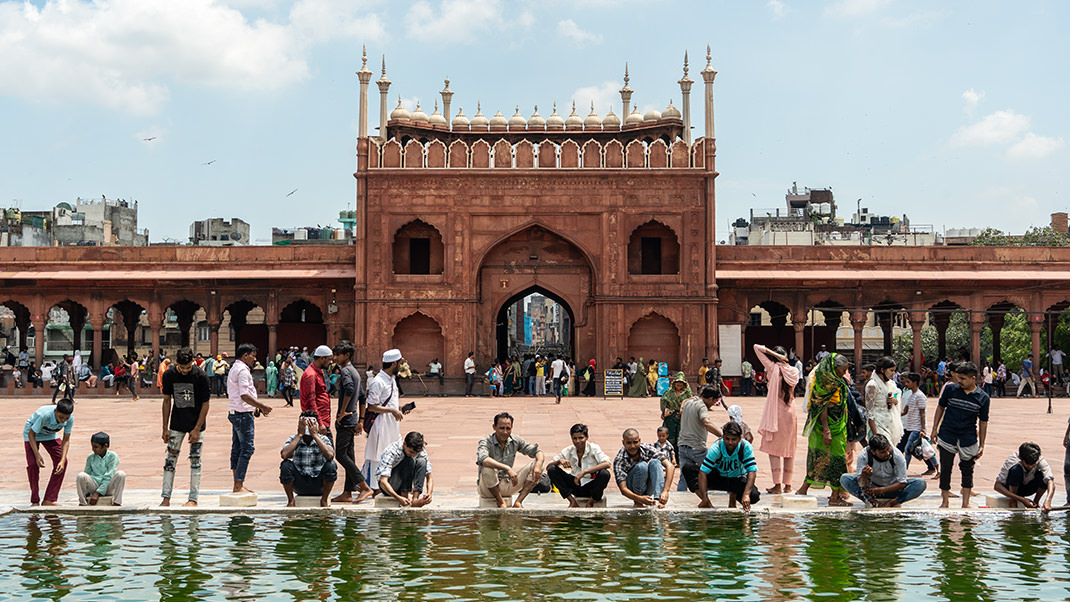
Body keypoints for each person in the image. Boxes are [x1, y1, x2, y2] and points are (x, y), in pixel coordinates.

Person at [931, 361, 989, 509]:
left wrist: (982, 444)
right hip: (947, 434)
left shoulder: (983, 398)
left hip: (968, 437)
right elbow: (940, 407)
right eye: (958, 378)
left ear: (973, 378)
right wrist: (934, 429)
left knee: (968, 470)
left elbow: (983, 422)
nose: (959, 381)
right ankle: (945, 501)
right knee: (946, 468)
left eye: (963, 378)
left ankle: (966, 502)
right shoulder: (951, 390)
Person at [796, 353, 852, 506]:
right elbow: (822, 407)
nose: (844, 373)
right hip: (828, 429)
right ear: (834, 368)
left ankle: (803, 489)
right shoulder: (827, 383)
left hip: (836, 426)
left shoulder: (834, 380)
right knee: (837, 460)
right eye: (842, 370)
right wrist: (827, 431)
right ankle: (834, 497)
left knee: (820, 457)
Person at [160, 347, 212, 507]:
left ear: (193, 363)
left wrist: (196, 429)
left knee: (195, 461)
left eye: (188, 368)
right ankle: (166, 498)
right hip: (177, 424)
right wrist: (164, 427)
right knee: (170, 460)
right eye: (182, 368)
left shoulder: (200, 376)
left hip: (197, 424)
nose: (185, 371)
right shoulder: (169, 375)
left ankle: (193, 499)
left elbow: (205, 404)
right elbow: (167, 401)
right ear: (177, 363)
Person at [227, 342, 273, 495]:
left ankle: (237, 484)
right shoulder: (243, 371)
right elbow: (244, 395)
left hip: (236, 413)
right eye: (253, 356)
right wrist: (262, 406)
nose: (254, 359)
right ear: (245, 355)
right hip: (242, 414)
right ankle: (238, 485)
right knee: (247, 449)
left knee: (237, 449)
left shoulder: (235, 368)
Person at [331, 340, 373, 504]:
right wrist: (361, 420)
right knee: (349, 456)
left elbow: (348, 390)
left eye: (337, 355)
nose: (335, 358)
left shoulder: (346, 371)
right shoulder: (355, 372)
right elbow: (362, 397)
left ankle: (363, 486)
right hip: (353, 418)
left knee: (341, 455)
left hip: (346, 420)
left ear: (346, 355)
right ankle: (347, 492)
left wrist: (342, 413)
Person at [755, 344, 800, 495]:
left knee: (774, 449)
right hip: (791, 411)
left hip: (777, 412)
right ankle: (788, 485)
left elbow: (756, 347)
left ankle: (777, 485)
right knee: (789, 449)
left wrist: (772, 354)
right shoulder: (794, 371)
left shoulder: (773, 368)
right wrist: (781, 358)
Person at [476, 412, 544, 508]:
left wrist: (538, 465)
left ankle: (518, 502)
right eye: (501, 428)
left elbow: (538, 452)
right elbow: (483, 459)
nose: (505, 432)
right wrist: (507, 468)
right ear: (494, 427)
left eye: (508, 428)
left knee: (539, 465)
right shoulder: (486, 441)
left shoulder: (515, 440)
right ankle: (500, 501)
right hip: (488, 488)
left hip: (509, 484)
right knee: (487, 467)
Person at [840, 434, 926, 508]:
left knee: (920, 483)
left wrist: (880, 490)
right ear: (873, 452)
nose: (887, 453)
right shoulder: (864, 456)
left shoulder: (897, 455)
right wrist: (864, 476)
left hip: (893, 489)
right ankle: (871, 501)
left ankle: (893, 502)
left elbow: (902, 482)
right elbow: (861, 484)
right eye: (882, 452)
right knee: (845, 478)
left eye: (888, 450)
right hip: (871, 490)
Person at [364, 349, 406, 491]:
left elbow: (390, 402)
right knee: (378, 454)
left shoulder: (392, 379)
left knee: (394, 451)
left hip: (392, 423)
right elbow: (371, 407)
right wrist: (391, 410)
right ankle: (375, 487)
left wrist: (399, 408)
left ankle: (390, 484)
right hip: (381, 424)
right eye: (400, 363)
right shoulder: (378, 381)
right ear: (394, 363)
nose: (401, 365)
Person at [696, 421, 761, 511]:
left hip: (737, 479)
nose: (730, 442)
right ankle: (706, 502)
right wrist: (704, 498)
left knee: (754, 496)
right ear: (723, 437)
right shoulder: (716, 448)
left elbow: (752, 471)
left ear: (739, 439)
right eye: (727, 439)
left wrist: (746, 495)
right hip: (720, 478)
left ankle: (733, 495)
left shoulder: (745, 447)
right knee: (688, 469)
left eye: (733, 439)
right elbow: (703, 473)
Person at [546, 423, 612, 507]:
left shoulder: (594, 448)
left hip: (591, 486)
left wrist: (584, 472)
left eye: (581, 438)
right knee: (552, 470)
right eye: (575, 438)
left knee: (605, 473)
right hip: (575, 486)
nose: (578, 441)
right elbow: (548, 467)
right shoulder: (568, 450)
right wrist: (558, 461)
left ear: (586, 437)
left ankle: (591, 502)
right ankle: (572, 501)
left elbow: (607, 463)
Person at [280, 411, 337, 507]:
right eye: (305, 423)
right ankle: (291, 501)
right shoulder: (293, 439)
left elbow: (330, 455)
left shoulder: (323, 439)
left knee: (331, 465)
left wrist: (315, 435)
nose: (308, 427)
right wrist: (300, 435)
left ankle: (324, 500)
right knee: (285, 465)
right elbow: (284, 455)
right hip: (300, 484)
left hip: (318, 484)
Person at [24, 398, 74, 506]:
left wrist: (61, 460)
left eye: (66, 418)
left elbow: (66, 440)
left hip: (50, 434)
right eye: (61, 417)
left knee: (63, 462)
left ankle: (49, 499)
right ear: (55, 411)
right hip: (32, 434)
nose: (63, 420)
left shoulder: (70, 419)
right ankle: (35, 500)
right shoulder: (44, 415)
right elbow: (31, 434)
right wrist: (37, 455)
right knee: (33, 464)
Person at [678, 386, 724, 492]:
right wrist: (722, 436)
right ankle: (709, 494)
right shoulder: (702, 406)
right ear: (710, 398)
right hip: (697, 447)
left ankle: (681, 498)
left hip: (683, 446)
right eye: (714, 401)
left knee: (684, 476)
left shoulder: (688, 403)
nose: (713, 404)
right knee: (711, 469)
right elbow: (706, 423)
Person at [613, 428, 675, 508]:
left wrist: (665, 491)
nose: (633, 446)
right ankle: (638, 502)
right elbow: (623, 489)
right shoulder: (620, 459)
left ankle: (659, 499)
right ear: (623, 443)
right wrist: (640, 499)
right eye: (629, 443)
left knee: (655, 462)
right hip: (632, 490)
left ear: (639, 441)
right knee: (642, 466)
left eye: (635, 442)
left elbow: (670, 466)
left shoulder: (646, 448)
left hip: (647, 486)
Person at [995, 442, 1056, 513]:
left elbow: (1050, 482)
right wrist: (1022, 499)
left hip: (1029, 487)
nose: (1030, 467)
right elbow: (997, 486)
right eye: (1027, 464)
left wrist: (1048, 500)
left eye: (1033, 465)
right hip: (1013, 488)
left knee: (1043, 476)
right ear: (1020, 458)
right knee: (1016, 470)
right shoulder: (1012, 460)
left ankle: (1035, 503)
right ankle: (1013, 501)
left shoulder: (1040, 460)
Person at [377, 431, 434, 507]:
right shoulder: (392, 451)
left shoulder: (421, 451)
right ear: (404, 444)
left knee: (422, 461)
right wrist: (399, 498)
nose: (413, 455)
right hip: (390, 486)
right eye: (411, 452)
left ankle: (415, 499)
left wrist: (429, 494)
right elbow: (383, 482)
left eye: (415, 453)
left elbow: (429, 477)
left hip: (405, 483)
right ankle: (405, 497)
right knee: (409, 460)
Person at [898, 372, 939, 475]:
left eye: (908, 382)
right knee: (924, 449)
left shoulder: (920, 396)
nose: (906, 384)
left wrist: (923, 429)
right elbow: (905, 411)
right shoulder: (911, 395)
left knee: (908, 449)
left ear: (915, 382)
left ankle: (903, 471)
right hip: (910, 426)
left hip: (917, 427)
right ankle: (937, 468)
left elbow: (922, 414)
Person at [76, 432, 126, 506]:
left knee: (121, 474)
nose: (93, 449)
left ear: (105, 446)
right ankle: (83, 503)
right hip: (94, 486)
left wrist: (97, 493)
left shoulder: (113, 456)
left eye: (96, 447)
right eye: (92, 447)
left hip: (108, 487)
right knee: (81, 476)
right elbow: (87, 474)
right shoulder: (90, 457)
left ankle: (117, 503)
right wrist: (88, 493)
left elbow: (108, 477)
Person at [866, 356, 904, 446]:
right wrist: (876, 436)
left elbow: (897, 398)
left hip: (891, 426)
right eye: (891, 370)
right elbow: (869, 412)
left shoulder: (891, 384)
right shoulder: (872, 385)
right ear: (882, 370)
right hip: (878, 426)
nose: (893, 373)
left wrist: (894, 401)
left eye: (894, 370)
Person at [300, 345, 334, 441]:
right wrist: (320, 423)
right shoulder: (310, 375)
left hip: (322, 421)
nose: (331, 362)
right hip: (316, 424)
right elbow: (310, 401)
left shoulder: (319, 372)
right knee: (327, 453)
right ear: (322, 358)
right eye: (329, 359)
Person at [659, 372, 691, 464]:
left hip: (682, 417)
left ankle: (680, 459)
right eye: (677, 384)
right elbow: (663, 401)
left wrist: (684, 403)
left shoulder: (687, 393)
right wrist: (665, 410)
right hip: (671, 417)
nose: (679, 386)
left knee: (681, 438)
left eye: (681, 385)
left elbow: (693, 400)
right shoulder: (669, 392)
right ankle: (668, 458)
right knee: (670, 437)